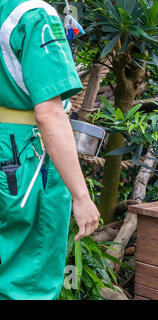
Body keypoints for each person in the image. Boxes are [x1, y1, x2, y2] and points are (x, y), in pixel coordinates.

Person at [0, 0, 100, 300]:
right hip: (25, 151)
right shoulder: (33, 14)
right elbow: (49, 113)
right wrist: (81, 197)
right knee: (29, 280)